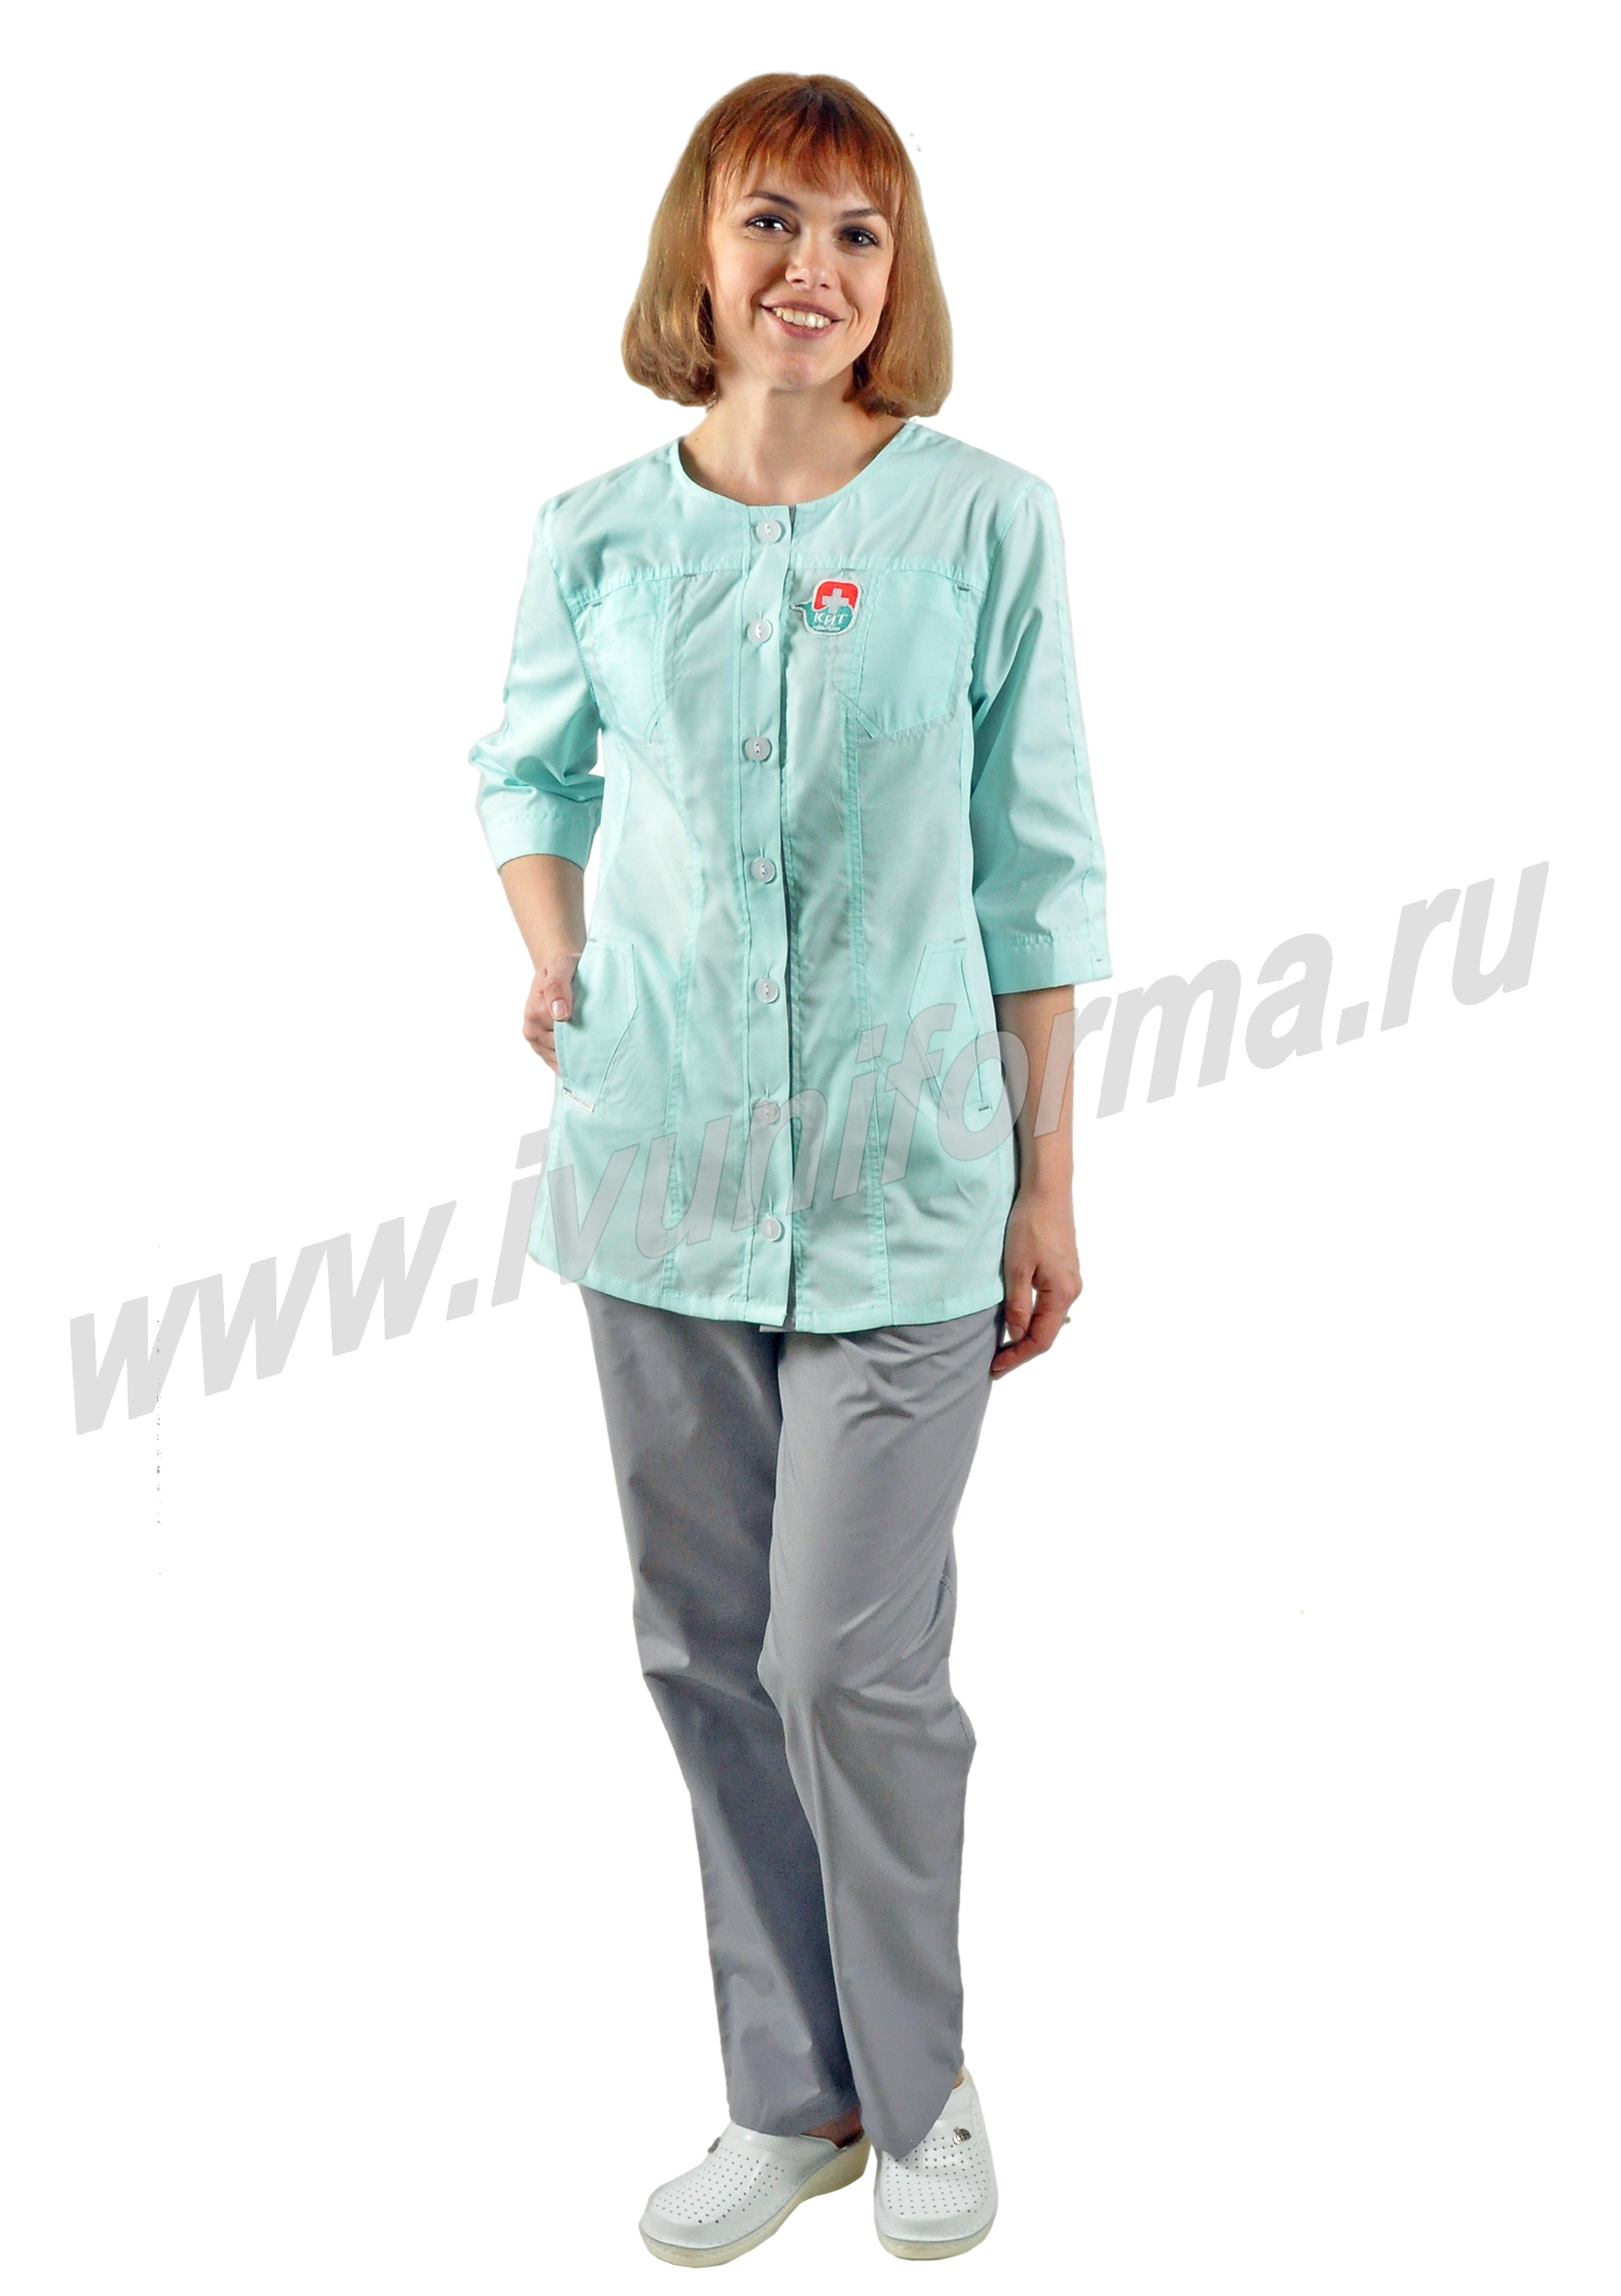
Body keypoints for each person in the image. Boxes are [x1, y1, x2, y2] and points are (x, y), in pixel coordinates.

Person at [467, 72, 1110, 2268]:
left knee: (845, 1660)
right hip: (653, 1172)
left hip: (910, 1176)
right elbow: (521, 766)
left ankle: (920, 2084)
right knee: (702, 1645)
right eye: (769, 221)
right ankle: (791, 2088)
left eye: (854, 230)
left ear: (894, 270)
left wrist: (1044, 1179)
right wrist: (554, 949)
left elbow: (1037, 868)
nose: (809, 270)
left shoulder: (985, 525)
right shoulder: (594, 533)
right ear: (698, 248)